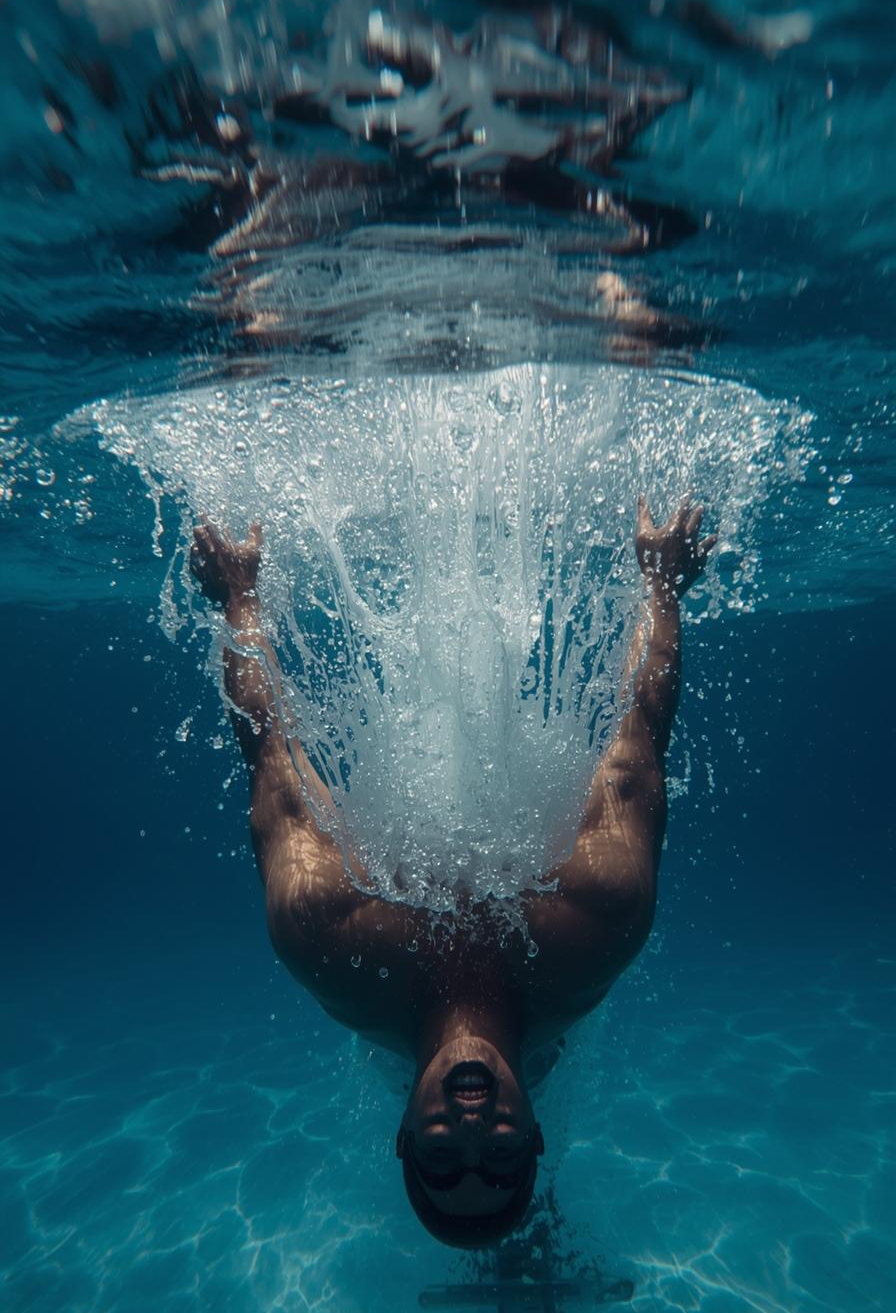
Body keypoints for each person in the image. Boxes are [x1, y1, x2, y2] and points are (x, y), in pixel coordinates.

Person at [190, 497, 715, 1246]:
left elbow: (271, 753)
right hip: (549, 1023)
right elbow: (637, 745)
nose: (472, 1129)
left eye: (443, 1156)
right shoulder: (598, 928)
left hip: (390, 1023)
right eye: (500, 1156)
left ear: (404, 1135)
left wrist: (241, 600)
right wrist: (661, 588)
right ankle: (535, 1216)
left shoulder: (329, 942)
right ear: (530, 1136)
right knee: (556, 1053)